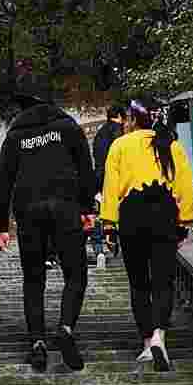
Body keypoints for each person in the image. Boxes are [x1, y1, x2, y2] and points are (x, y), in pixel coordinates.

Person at [0, 87, 96, 372]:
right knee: (75, 274)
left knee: (33, 279)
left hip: (29, 212)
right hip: (65, 208)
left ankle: (37, 342)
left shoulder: (14, 137)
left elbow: (4, 183)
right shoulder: (68, 128)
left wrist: (1, 226)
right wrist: (88, 208)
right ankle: (65, 328)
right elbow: (86, 170)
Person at [99, 93, 193, 372]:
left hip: (132, 215)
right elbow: (184, 185)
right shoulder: (170, 144)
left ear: (131, 119)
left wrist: (108, 224)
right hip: (164, 214)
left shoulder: (120, 145)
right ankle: (159, 337)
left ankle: (145, 343)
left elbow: (110, 187)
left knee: (139, 283)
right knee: (163, 281)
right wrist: (184, 222)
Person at [90, 101, 126, 266]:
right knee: (119, 211)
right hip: (114, 177)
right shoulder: (118, 131)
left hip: (99, 178)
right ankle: (114, 242)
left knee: (101, 213)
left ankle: (100, 248)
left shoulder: (100, 132)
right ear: (119, 116)